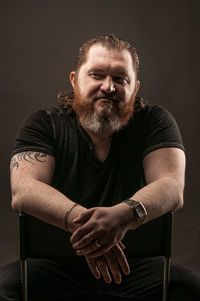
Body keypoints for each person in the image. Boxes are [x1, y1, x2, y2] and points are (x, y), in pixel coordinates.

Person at [0, 33, 200, 301]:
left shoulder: (155, 121)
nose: (109, 87)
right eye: (97, 75)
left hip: (134, 266)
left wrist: (121, 217)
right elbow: (24, 189)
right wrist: (97, 232)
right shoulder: (43, 123)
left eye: (120, 78)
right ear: (75, 80)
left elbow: (172, 187)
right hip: (54, 266)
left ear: (135, 88)